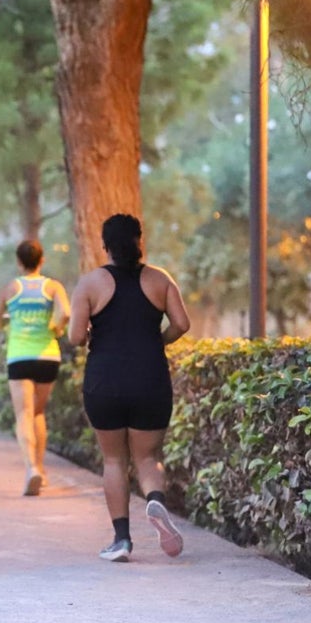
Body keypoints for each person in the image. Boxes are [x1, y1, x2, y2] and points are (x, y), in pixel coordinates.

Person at [67, 214, 191, 563]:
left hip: (104, 380)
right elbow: (182, 323)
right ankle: (156, 501)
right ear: (140, 240)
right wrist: (157, 341)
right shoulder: (159, 279)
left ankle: (121, 539)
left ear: (104, 245)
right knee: (148, 457)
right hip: (150, 379)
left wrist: (92, 336)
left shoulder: (90, 284)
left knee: (113, 459)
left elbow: (76, 337)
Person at [0, 240, 70, 496]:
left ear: (18, 262)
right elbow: (65, 313)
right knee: (38, 413)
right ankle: (42, 470)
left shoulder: (11, 288)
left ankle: (31, 467)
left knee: (23, 414)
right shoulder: (53, 286)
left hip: (20, 356)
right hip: (48, 356)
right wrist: (56, 328)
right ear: (42, 260)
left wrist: (8, 322)